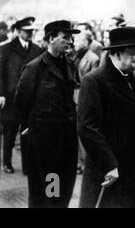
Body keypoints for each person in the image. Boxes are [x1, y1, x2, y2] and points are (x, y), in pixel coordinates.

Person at [77, 27, 135, 208]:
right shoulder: (94, 81)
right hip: (110, 172)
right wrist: (109, 164)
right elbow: (87, 128)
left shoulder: (134, 76)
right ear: (117, 54)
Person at [14, 20, 80, 208]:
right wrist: (31, 128)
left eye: (71, 38)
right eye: (65, 38)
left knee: (64, 187)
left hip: (66, 141)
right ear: (51, 38)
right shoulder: (35, 68)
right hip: (45, 143)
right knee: (47, 191)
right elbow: (21, 102)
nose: (70, 42)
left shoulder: (69, 65)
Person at [0, 17, 43, 174]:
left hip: (29, 98)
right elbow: (1, 74)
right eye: (26, 31)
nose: (30, 33)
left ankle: (28, 165)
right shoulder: (6, 49)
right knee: (10, 132)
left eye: (31, 31)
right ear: (18, 31)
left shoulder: (37, 50)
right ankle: (7, 162)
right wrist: (1, 94)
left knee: (27, 132)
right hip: (11, 98)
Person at [73, 30, 100, 174]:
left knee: (83, 132)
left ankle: (85, 163)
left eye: (78, 40)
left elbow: (92, 83)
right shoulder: (74, 55)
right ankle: (79, 162)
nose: (75, 43)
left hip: (83, 98)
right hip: (74, 98)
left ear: (86, 42)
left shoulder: (93, 58)